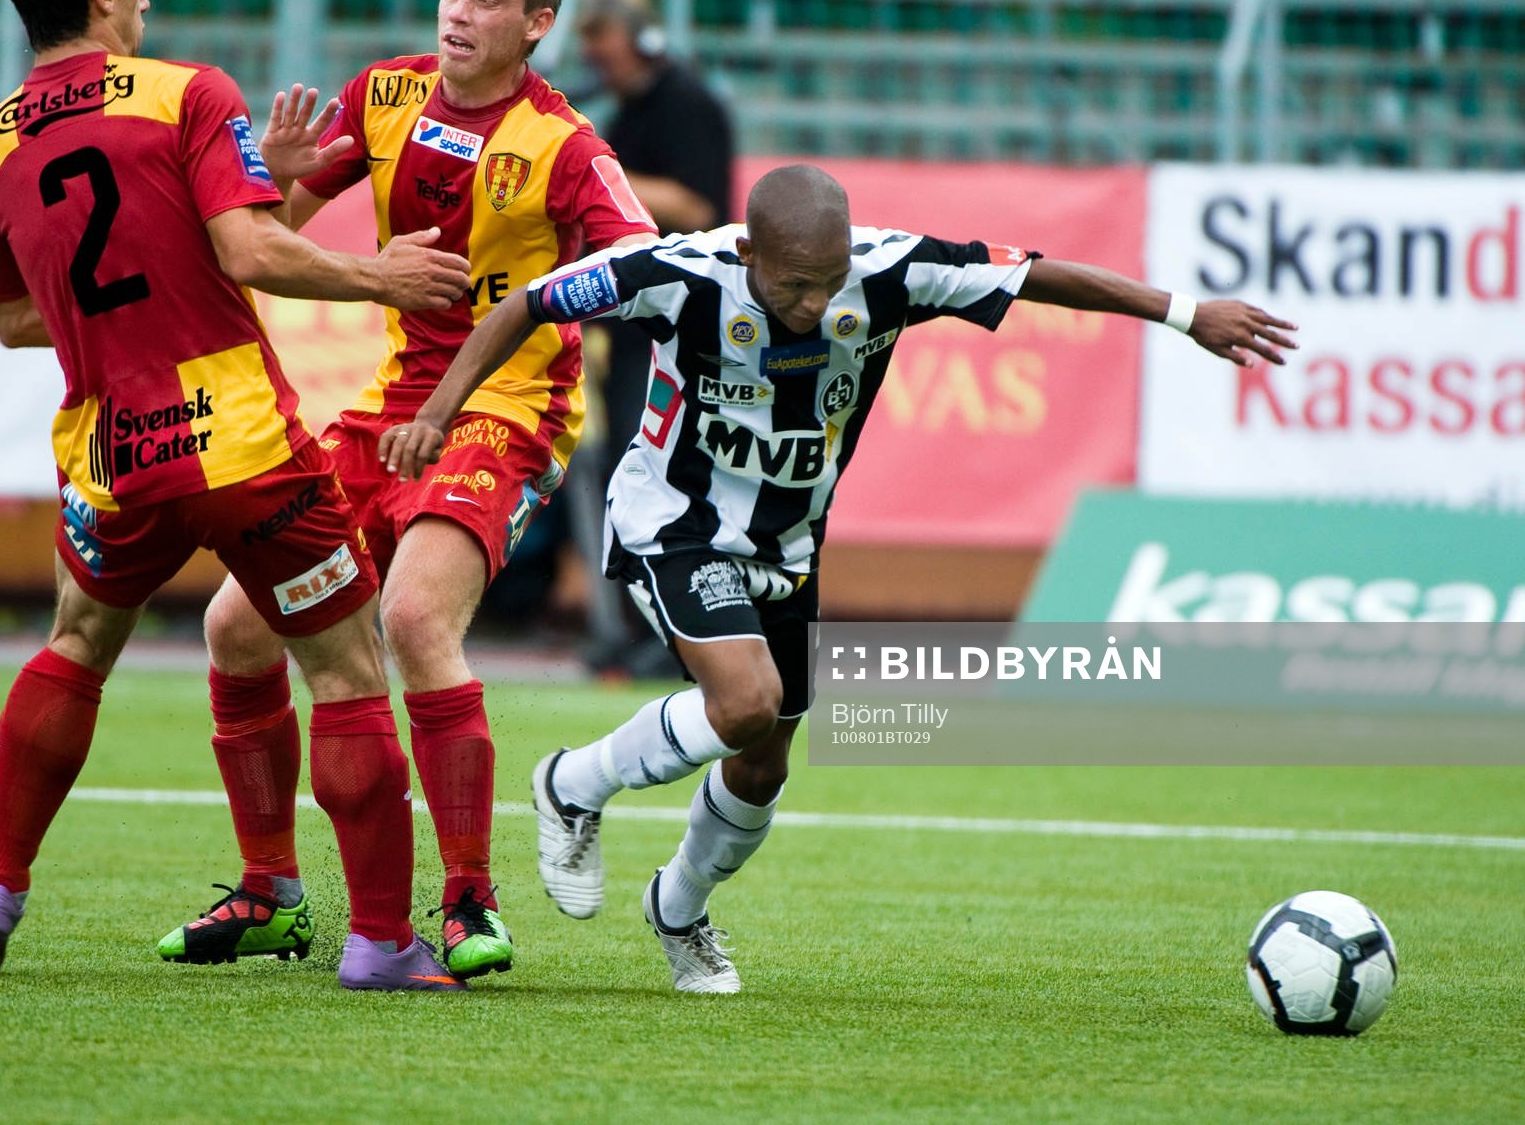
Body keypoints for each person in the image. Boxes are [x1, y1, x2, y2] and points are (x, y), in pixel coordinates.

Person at [377, 163, 1298, 993]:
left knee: (764, 763)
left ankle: (681, 910)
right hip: (675, 525)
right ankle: (574, 782)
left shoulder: (892, 272)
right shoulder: (679, 272)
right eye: (792, 286)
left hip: (789, 549)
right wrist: (439, 413)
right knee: (742, 702)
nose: (814, 304)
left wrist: (1186, 315)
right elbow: (527, 305)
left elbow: (1038, 275)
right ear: (749, 252)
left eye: (826, 283)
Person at [0, 0, 476, 992]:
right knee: (342, 668)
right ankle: (379, 940)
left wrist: (197, 245)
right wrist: (381, 273)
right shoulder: (188, 91)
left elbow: (12, 316)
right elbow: (247, 248)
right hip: (237, 442)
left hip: (109, 454)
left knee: (75, 643)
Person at [177, 0, 659, 981]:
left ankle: (468, 899)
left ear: (537, 25)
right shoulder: (384, 94)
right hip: (396, 401)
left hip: (508, 407)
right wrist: (287, 178)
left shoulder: (565, 144)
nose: (459, 15)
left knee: (409, 618)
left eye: (487, 1)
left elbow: (645, 262)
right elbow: (261, 239)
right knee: (236, 630)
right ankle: (269, 890)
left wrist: (572, 296)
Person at [573, 0, 735, 677]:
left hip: (681, 322)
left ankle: (679, 637)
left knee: (665, 475)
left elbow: (699, 206)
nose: (597, 59)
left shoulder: (687, 104)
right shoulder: (631, 105)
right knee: (623, 475)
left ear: (638, 36)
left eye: (604, 44)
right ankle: (643, 630)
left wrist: (599, 174)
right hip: (636, 322)